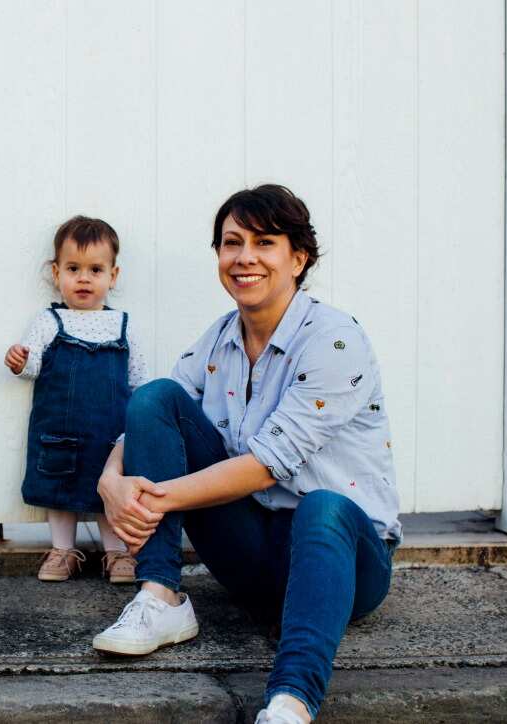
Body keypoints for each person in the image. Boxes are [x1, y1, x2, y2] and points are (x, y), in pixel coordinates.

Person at [93, 185, 400, 724]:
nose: (244, 257)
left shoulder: (334, 339)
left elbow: (266, 464)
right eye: (231, 243)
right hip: (253, 553)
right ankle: (161, 596)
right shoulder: (220, 339)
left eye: (264, 242)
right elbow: (155, 418)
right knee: (154, 396)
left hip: (343, 560)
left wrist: (147, 500)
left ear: (297, 258)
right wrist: (111, 480)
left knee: (322, 507)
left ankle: (290, 701)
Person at [4, 216, 149, 584]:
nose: (83, 278)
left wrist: (141, 418)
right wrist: (21, 361)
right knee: (60, 489)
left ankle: (116, 553)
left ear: (112, 276)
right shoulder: (49, 321)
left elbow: (138, 379)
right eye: (73, 268)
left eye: (95, 269)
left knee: (110, 492)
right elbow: (34, 362)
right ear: (57, 273)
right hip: (59, 430)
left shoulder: (123, 325)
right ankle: (63, 549)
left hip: (109, 435)